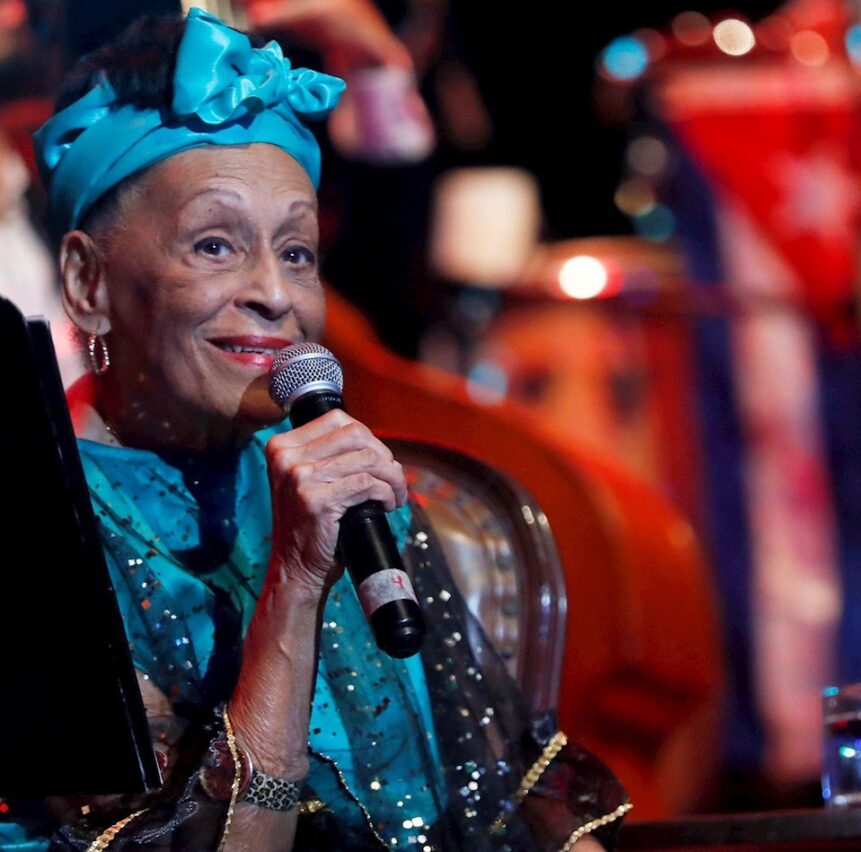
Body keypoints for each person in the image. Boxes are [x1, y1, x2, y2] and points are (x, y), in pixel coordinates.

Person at [0, 8, 628, 850]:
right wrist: (294, 585)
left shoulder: (361, 499)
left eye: (297, 253)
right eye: (216, 246)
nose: (276, 295)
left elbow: (510, 811)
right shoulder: (36, 538)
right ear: (86, 282)